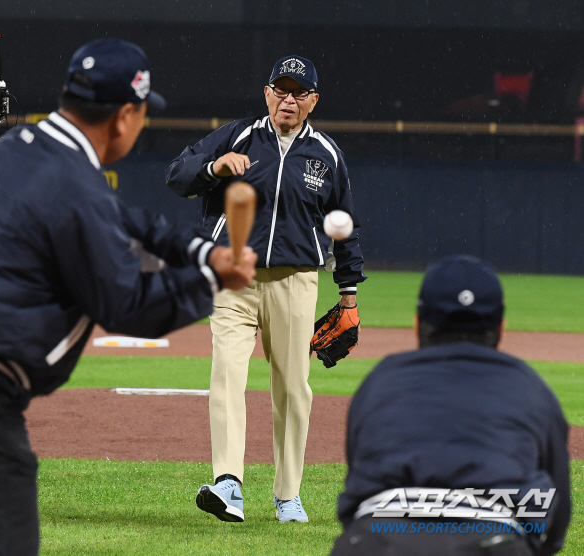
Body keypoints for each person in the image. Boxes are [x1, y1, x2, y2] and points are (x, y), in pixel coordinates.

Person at [0, 38, 256, 555]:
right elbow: (129, 304)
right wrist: (214, 281)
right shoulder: (75, 188)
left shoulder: (25, 147)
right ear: (125, 116)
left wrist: (200, 251)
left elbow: (128, 219)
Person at [166, 55, 365, 523]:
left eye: (299, 92)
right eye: (280, 89)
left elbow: (345, 226)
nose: (288, 99)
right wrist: (214, 167)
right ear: (267, 93)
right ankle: (228, 483)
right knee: (227, 374)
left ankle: (287, 494)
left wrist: (349, 293)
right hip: (234, 278)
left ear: (313, 100)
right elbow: (176, 175)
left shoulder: (326, 156)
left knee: (293, 389)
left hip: (296, 282)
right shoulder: (237, 136)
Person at [330, 255, 570, 556]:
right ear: (501, 327)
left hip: (376, 540)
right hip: (494, 542)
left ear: (418, 324)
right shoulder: (530, 387)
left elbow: (357, 479)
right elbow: (557, 513)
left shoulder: (381, 380)